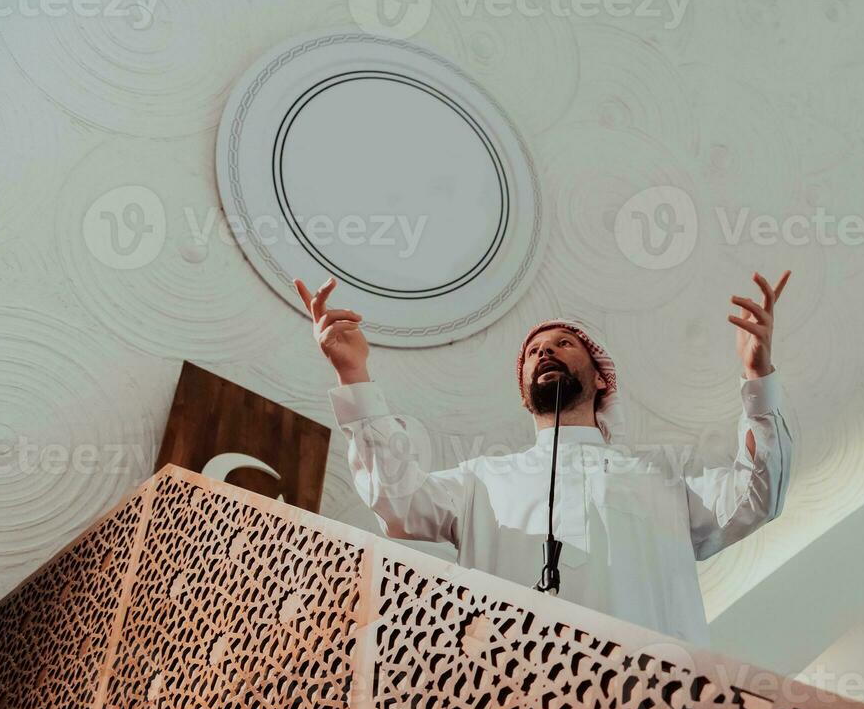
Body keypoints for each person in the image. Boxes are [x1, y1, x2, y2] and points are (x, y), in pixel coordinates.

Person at [296, 272, 795, 646]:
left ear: (601, 378)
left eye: (563, 344)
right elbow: (397, 499)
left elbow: (759, 496)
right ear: (523, 392)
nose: (546, 352)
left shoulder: (659, 476)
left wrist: (759, 377)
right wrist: (354, 375)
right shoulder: (482, 480)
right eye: (535, 350)